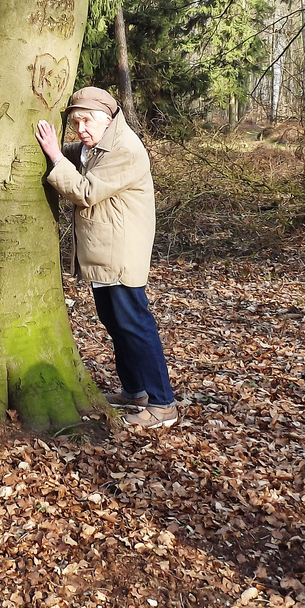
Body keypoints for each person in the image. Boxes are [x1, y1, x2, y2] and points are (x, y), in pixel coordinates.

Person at [35, 87, 177, 428]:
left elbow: (86, 192)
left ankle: (163, 404)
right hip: (102, 252)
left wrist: (55, 156)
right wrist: (51, 149)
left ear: (108, 117)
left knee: (135, 325)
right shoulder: (95, 146)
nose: (81, 128)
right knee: (116, 325)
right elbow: (76, 157)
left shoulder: (125, 149)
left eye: (87, 120)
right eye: (76, 122)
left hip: (121, 253)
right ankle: (134, 391)